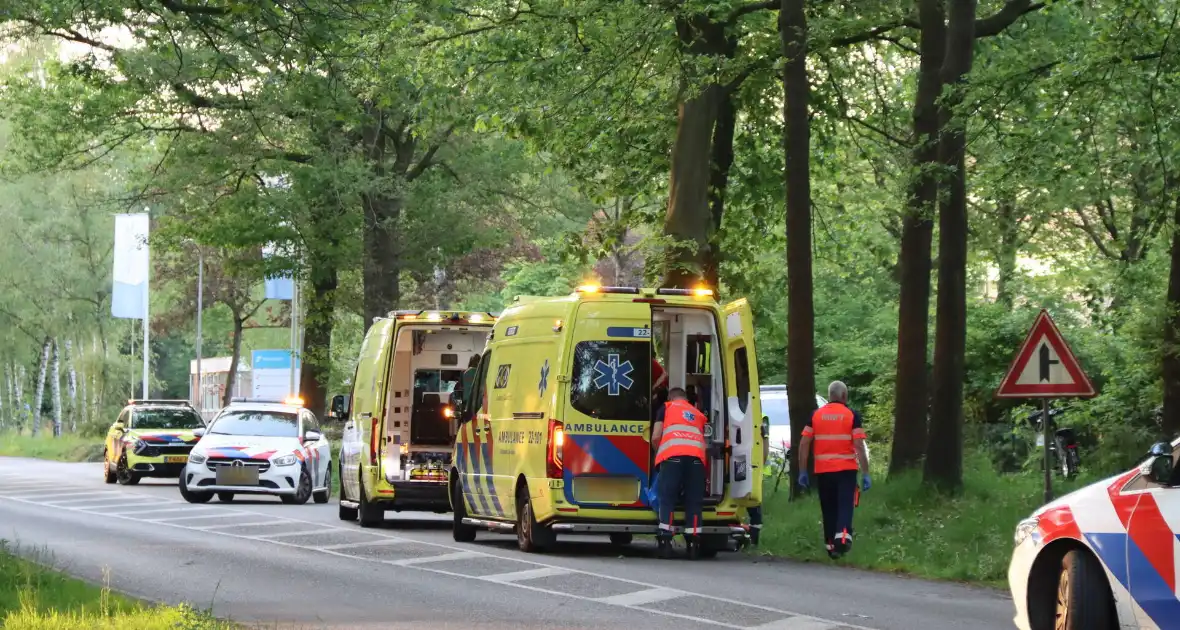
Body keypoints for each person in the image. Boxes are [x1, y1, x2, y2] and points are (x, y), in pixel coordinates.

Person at [796, 381, 870, 559]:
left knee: (828, 506)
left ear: (830, 396)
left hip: (823, 470)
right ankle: (843, 537)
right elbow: (859, 445)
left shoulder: (816, 415)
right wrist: (866, 473)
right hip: (845, 470)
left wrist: (803, 470)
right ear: (844, 396)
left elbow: (804, 443)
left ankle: (831, 546)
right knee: (845, 504)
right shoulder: (852, 415)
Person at [651, 387, 708, 559]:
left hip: (673, 458)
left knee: (667, 498)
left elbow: (655, 436)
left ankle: (666, 542)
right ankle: (693, 545)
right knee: (694, 501)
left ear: (670, 397)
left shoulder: (666, 408)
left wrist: (660, 453)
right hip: (697, 461)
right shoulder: (697, 413)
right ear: (686, 399)